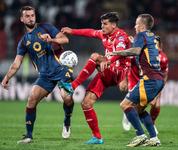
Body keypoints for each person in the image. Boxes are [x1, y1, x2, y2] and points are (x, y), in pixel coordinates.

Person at [1, 6, 74, 143]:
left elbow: (65, 40)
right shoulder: (23, 42)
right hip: (45, 75)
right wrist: (6, 78)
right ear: (22, 19)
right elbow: (17, 63)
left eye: (32, 15)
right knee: (31, 100)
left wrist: (51, 40)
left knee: (66, 98)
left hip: (62, 70)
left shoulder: (46, 27)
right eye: (27, 16)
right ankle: (29, 136)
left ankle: (67, 120)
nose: (31, 18)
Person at [58, 12, 130, 144]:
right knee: (86, 103)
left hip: (118, 72)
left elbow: (120, 53)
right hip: (106, 71)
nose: (102, 26)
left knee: (95, 56)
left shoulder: (120, 37)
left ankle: (73, 86)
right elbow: (90, 32)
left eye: (105, 24)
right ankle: (97, 137)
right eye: (102, 23)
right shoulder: (104, 34)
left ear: (114, 25)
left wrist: (108, 61)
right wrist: (72, 31)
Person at [105, 14, 164, 147]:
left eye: (136, 24)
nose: (134, 26)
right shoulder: (152, 37)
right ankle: (154, 139)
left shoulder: (141, 36)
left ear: (142, 26)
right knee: (139, 109)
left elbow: (137, 51)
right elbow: (143, 50)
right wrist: (135, 42)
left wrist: (116, 53)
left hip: (149, 79)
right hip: (158, 79)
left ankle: (140, 136)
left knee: (125, 105)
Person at [120, 35, 169, 134]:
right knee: (133, 104)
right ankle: (128, 116)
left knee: (155, 105)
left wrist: (158, 90)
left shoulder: (162, 59)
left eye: (157, 46)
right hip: (134, 78)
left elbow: (164, 75)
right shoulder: (138, 53)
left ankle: (150, 125)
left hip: (149, 80)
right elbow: (125, 64)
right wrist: (123, 80)